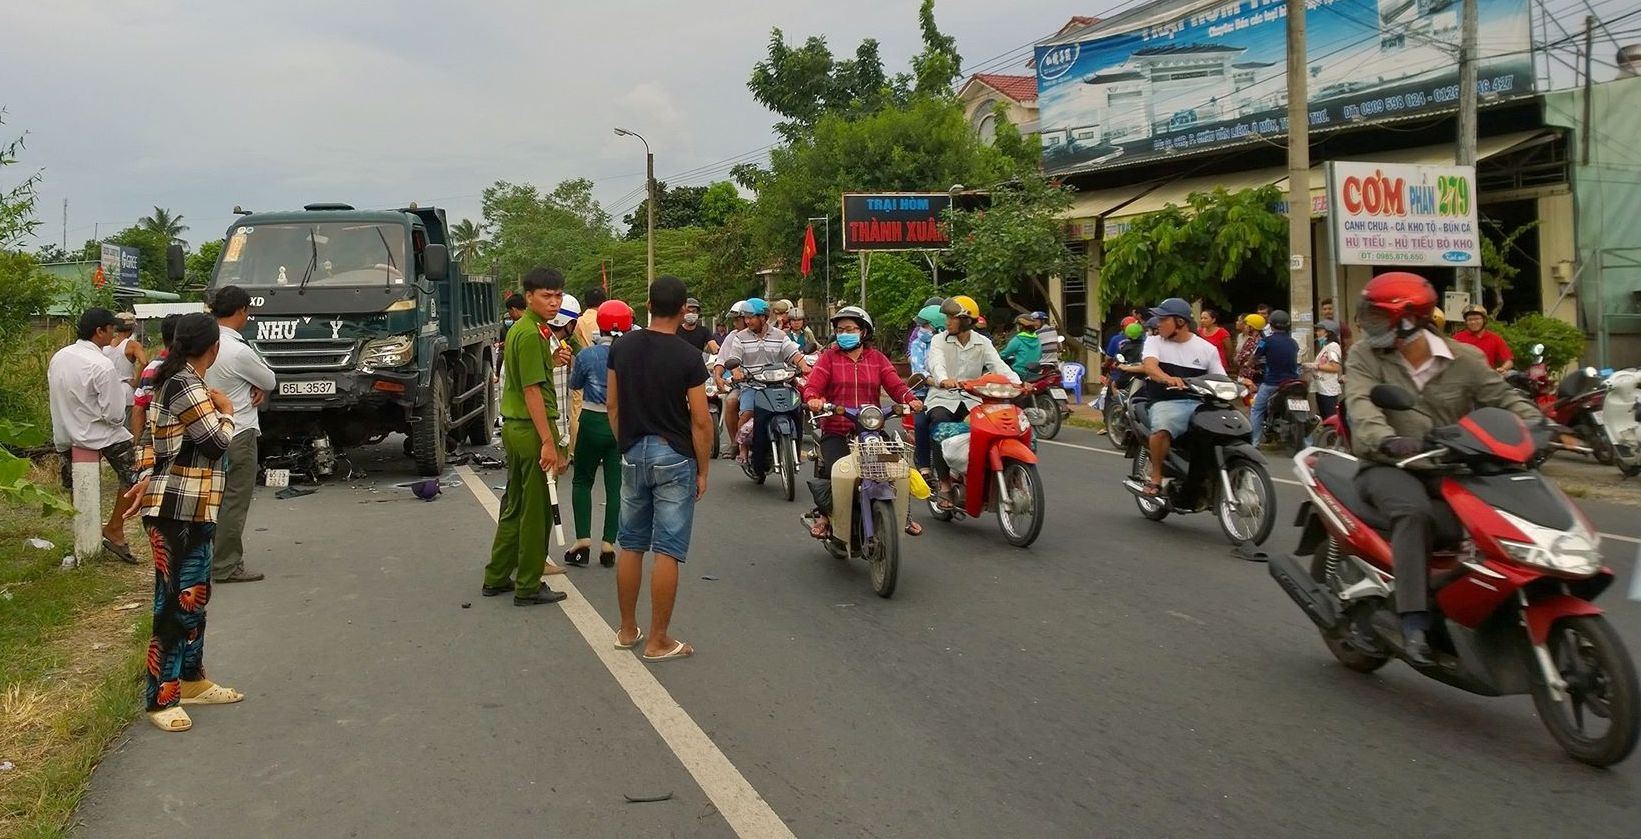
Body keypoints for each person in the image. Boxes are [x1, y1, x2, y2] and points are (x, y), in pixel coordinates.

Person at [1345, 272, 1566, 666]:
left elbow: (1503, 399)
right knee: (1416, 514)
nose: (1366, 323)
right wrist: (1387, 439)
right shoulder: (1364, 355)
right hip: (1390, 464)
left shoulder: (1466, 359)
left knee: (1494, 526)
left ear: (1410, 319)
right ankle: (1412, 619)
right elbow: (1361, 405)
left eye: (1376, 316)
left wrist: (1538, 426)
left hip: (1455, 467)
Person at [132, 311, 244, 732]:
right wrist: (228, 409)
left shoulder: (174, 380)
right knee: (172, 604)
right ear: (213, 349)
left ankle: (192, 680)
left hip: (195, 507)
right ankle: (162, 698)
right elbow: (215, 443)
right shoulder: (184, 384)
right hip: (175, 509)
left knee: (195, 596)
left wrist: (142, 477)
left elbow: (145, 440)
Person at [608, 275, 712, 663]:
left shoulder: (622, 347)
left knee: (631, 543)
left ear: (647, 305)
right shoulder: (688, 356)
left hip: (633, 451)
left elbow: (614, 407)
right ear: (684, 309)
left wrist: (627, 444)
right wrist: (703, 470)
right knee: (667, 548)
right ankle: (658, 640)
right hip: (674, 456)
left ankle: (626, 629)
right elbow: (701, 421)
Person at [483, 267, 574, 607]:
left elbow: (530, 375)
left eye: (558, 296)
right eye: (547, 296)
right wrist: (549, 442)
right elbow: (533, 390)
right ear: (530, 296)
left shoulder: (528, 330)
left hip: (516, 427)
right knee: (537, 511)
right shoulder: (531, 332)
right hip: (532, 429)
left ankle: (496, 575)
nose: (553, 302)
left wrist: (553, 360)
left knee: (516, 505)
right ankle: (528, 584)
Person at [801, 306, 923, 538]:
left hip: (871, 430)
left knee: (898, 468)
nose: (844, 333)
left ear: (864, 331)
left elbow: (896, 386)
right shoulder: (829, 358)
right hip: (836, 428)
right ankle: (825, 517)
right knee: (834, 470)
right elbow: (813, 386)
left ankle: (903, 513)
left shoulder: (877, 358)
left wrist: (911, 400)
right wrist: (814, 399)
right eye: (840, 329)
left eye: (850, 329)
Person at [48, 308, 142, 563]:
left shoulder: (60, 356)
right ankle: (114, 528)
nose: (113, 336)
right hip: (100, 434)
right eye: (111, 330)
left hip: (66, 433)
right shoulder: (102, 365)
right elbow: (114, 415)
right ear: (99, 331)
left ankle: (84, 535)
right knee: (135, 475)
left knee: (76, 489)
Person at [204, 286, 277, 584]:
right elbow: (269, 379)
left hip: (205, 430)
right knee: (234, 499)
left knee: (209, 499)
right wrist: (256, 386)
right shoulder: (238, 350)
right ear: (242, 310)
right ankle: (226, 565)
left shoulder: (203, 343)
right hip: (238, 431)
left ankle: (206, 559)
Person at [925, 295, 1019, 509]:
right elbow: (936, 363)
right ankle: (945, 484)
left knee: (993, 425)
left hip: (973, 398)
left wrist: (1018, 383)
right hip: (942, 397)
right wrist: (943, 380)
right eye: (947, 317)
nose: (947, 322)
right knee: (938, 423)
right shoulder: (939, 340)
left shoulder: (982, 342)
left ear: (966, 320)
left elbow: (999, 366)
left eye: (952, 317)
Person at [565, 299, 633, 569]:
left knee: (582, 480)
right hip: (621, 423)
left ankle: (582, 542)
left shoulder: (586, 355)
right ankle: (608, 545)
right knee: (615, 485)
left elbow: (575, 384)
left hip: (592, 420)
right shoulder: (632, 355)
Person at [1137, 297, 1226, 495]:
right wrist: (1167, 378)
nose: (1158, 324)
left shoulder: (1207, 349)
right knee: (1161, 430)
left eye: (1162, 320)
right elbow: (1150, 367)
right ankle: (1156, 476)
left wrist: (1240, 384)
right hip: (1166, 401)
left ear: (1179, 322)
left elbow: (1220, 377)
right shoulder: (1154, 342)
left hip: (1199, 404)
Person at [715, 297, 807, 467]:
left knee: (797, 410)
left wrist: (804, 366)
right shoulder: (739, 337)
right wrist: (735, 371)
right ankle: (742, 448)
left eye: (751, 317)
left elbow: (793, 353)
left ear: (763, 317)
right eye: (746, 318)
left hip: (780, 384)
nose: (747, 321)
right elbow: (734, 357)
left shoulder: (780, 335)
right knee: (747, 413)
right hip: (752, 385)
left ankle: (795, 450)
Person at [1245, 309, 1302, 441]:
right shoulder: (1293, 342)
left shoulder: (1266, 341)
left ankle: (1254, 442)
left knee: (1256, 409)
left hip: (1272, 383)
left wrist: (1248, 364)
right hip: (1293, 382)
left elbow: (1254, 357)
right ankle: (1307, 442)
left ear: (1270, 324)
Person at [131, 314, 181, 441]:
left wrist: (137, 445)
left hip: (154, 435)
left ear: (163, 337)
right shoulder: (190, 367)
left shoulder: (150, 369)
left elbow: (138, 409)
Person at [907, 303, 943, 473]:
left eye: (924, 325)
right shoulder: (918, 344)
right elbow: (917, 368)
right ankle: (924, 465)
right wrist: (930, 380)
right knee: (921, 424)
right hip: (922, 393)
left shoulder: (948, 344)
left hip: (947, 394)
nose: (920, 329)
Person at [104, 312, 147, 418]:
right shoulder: (132, 345)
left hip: (107, 391)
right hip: (125, 390)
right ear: (132, 327)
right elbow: (144, 362)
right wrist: (137, 382)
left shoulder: (107, 344)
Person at [1453, 304, 1514, 374]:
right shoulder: (1458, 338)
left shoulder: (1494, 338)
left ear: (1484, 320)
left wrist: (1503, 368)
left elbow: (1509, 360)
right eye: (1469, 319)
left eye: (1476, 319)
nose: (1473, 322)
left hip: (1486, 378)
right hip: (1463, 377)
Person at [1306, 319, 1344, 420]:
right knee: (1325, 418)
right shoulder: (1325, 347)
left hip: (1328, 390)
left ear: (1328, 332)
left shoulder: (1333, 346)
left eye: (1320, 330)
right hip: (1321, 388)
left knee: (1331, 418)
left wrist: (1315, 366)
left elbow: (1335, 367)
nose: (1317, 333)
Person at [1000, 313, 1042, 379]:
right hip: (1034, 373)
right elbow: (1039, 355)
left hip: (1019, 372)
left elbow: (1004, 354)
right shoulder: (1037, 339)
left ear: (1021, 326)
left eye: (1017, 325)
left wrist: (996, 356)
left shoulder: (1018, 339)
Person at [1233, 313, 1266, 394]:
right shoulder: (1262, 340)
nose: (1245, 326)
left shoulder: (1252, 341)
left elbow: (1241, 359)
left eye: (1247, 325)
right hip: (1259, 374)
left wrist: (1238, 361)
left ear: (1252, 327)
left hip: (1249, 376)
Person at [496, 294, 526, 377]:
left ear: (514, 309)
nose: (510, 316)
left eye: (509, 312)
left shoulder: (519, 328)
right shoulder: (531, 324)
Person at [1197, 307, 1233, 373]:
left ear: (1213, 320)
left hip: (1219, 365)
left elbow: (1229, 350)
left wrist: (1227, 362)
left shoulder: (1222, 332)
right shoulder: (1199, 331)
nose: (1202, 320)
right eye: (1201, 318)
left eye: (1205, 318)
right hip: (1202, 364)